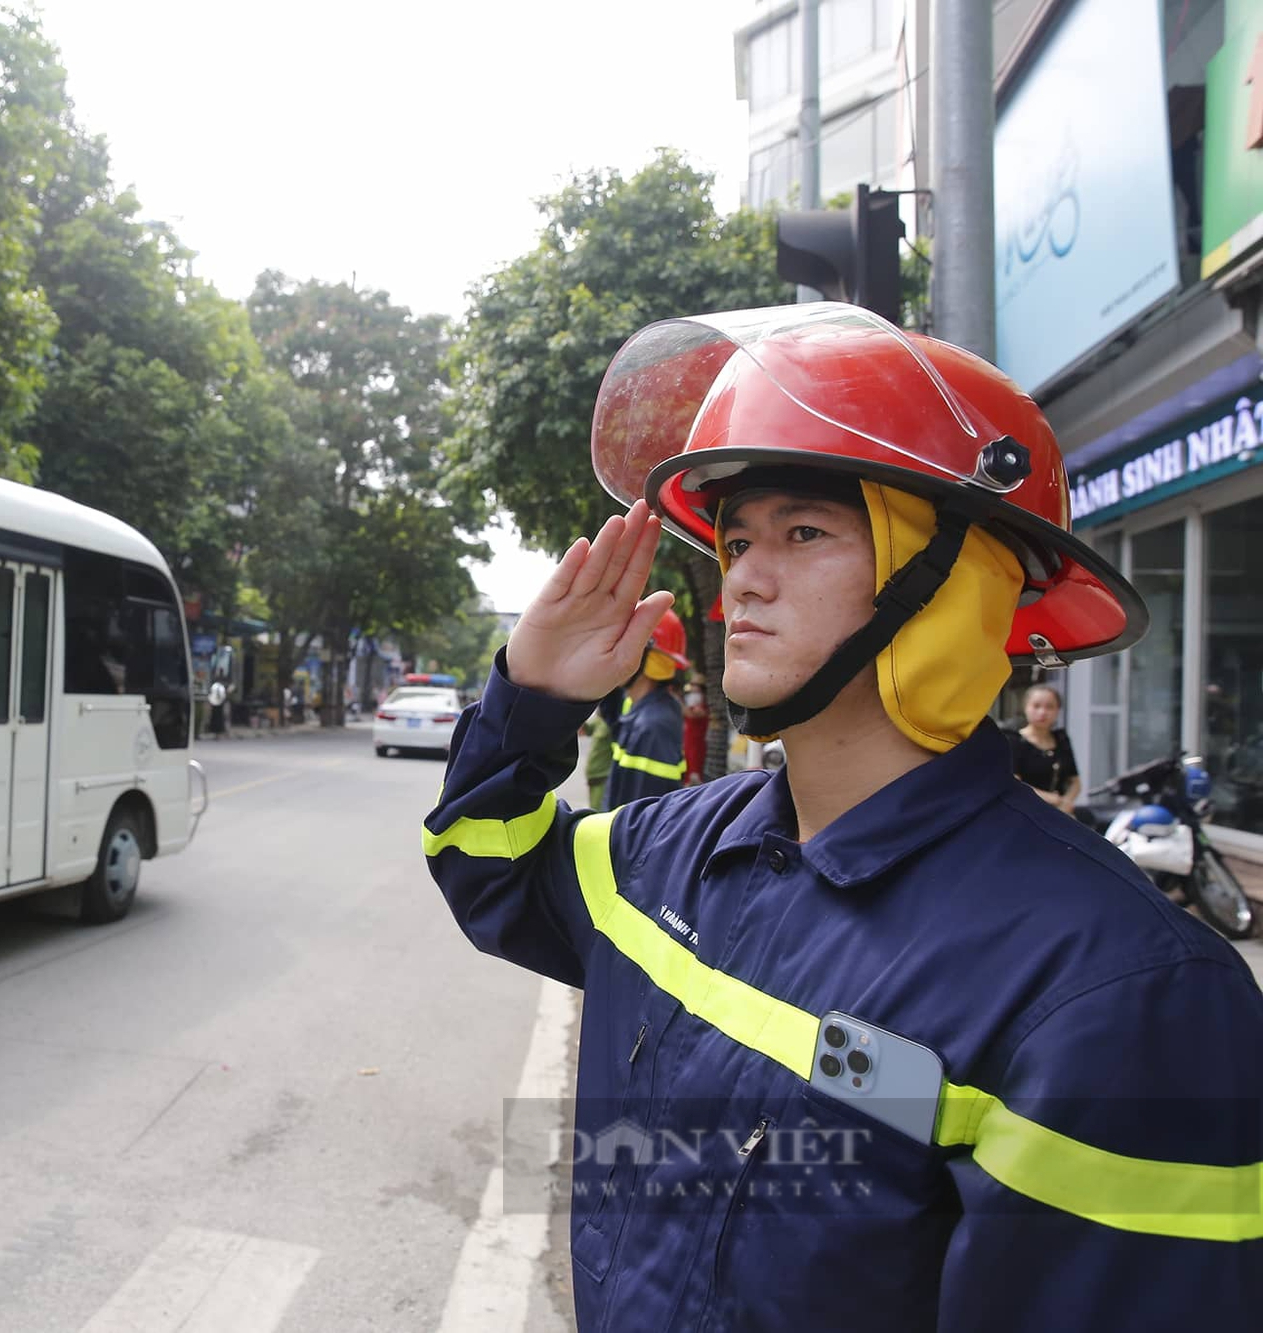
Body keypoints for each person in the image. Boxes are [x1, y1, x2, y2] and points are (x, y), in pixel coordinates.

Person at [422, 304, 1262, 1332]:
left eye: (803, 532)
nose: (743, 577)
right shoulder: (665, 851)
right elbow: (484, 864)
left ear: (948, 583)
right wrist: (529, 700)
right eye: (734, 539)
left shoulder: (1117, 996)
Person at [593, 605, 688, 809]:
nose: (613, 654)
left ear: (647, 658)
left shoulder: (653, 726)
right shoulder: (637, 706)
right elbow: (614, 720)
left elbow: (641, 824)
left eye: (622, 646)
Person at [1006, 682, 1080, 814]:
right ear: (1025, 708)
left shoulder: (1061, 740)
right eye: (1036, 706)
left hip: (1060, 812)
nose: (1042, 712)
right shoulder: (1014, 741)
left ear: (1058, 710)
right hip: (1025, 812)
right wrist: (1051, 799)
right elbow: (1014, 782)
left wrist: (1067, 801)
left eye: (1049, 707)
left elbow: (1075, 781)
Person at [681, 671, 709, 786]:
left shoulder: (701, 702)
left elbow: (692, 714)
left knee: (695, 764)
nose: (692, 687)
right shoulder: (692, 700)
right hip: (689, 737)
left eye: (694, 685)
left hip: (697, 739)